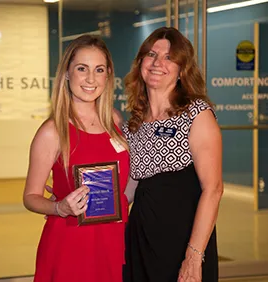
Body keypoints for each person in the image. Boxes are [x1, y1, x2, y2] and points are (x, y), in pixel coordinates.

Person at [23, 34, 129, 282]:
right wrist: (59, 207)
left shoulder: (115, 121)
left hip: (112, 243)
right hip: (69, 245)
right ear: (68, 73)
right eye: (82, 68)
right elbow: (30, 197)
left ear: (108, 75)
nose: (91, 79)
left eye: (99, 69)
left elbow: (125, 183)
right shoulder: (53, 131)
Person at [122, 27, 223, 282]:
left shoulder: (196, 114)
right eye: (151, 54)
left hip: (183, 240)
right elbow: (131, 188)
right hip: (141, 238)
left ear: (182, 70)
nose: (158, 63)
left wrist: (193, 257)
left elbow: (214, 190)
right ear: (141, 62)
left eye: (169, 57)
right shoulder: (134, 122)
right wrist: (90, 206)